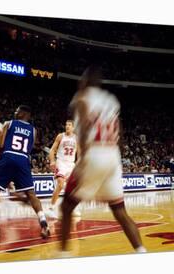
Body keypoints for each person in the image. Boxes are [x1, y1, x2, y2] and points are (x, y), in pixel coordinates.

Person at [60, 66, 146, 255]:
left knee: (66, 207)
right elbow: (121, 133)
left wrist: (83, 160)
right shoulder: (111, 100)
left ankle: (62, 256)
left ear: (85, 80)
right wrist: (116, 156)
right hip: (112, 156)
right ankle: (141, 252)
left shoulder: (81, 97)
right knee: (120, 212)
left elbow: (82, 128)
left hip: (94, 155)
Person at [0, 105, 50, 244]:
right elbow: (30, 148)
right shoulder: (33, 130)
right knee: (31, 194)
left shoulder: (8, 124)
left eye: (17, 111)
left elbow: (1, 144)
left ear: (22, 113)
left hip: (8, 157)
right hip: (23, 159)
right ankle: (44, 222)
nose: (14, 112)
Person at [47, 120, 80, 218]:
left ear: (73, 127)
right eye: (66, 124)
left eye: (70, 125)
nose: (67, 126)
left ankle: (71, 208)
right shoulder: (60, 136)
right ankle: (51, 208)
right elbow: (52, 150)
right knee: (60, 184)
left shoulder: (77, 139)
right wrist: (52, 161)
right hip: (61, 162)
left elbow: (80, 153)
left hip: (71, 164)